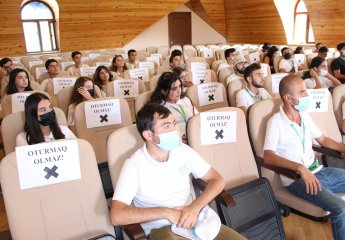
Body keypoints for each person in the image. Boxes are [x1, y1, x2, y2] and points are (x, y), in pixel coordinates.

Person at [110, 103, 246, 240]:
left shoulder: (183, 151)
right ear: (148, 135)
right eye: (166, 126)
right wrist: (165, 212)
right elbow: (116, 215)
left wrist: (195, 207)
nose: (175, 130)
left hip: (195, 219)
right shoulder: (134, 165)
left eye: (173, 123)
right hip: (162, 229)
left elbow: (217, 179)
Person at [263, 75, 345, 240]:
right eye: (302, 93)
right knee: (340, 208)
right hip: (298, 180)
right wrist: (300, 168)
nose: (307, 96)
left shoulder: (304, 115)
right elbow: (268, 156)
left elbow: (322, 139)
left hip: (319, 171)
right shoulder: (275, 122)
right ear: (288, 98)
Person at [149, 72, 195, 143]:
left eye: (180, 86)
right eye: (174, 89)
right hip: (175, 142)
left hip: (194, 137)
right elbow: (160, 134)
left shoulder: (185, 99)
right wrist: (176, 138)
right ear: (164, 91)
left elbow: (196, 118)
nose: (179, 91)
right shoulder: (159, 109)